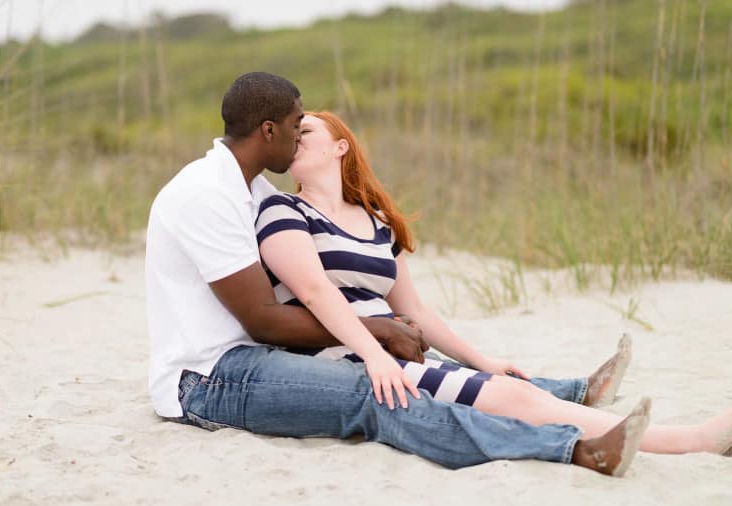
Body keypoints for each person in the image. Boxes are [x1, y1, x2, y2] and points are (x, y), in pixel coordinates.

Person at [145, 72, 655, 476]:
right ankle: (576, 450)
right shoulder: (206, 194)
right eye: (297, 125)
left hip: (258, 357)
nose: (301, 135)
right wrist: (378, 331)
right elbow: (264, 320)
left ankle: (565, 396)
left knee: (413, 377)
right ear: (268, 131)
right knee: (382, 393)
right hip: (210, 379)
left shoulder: (252, 191)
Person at [254, 109, 732, 458]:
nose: (295, 133)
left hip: (395, 349)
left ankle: (597, 414)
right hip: (344, 356)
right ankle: (687, 440)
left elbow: (416, 311)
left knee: (509, 390)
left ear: (340, 146)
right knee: (513, 400)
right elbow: (315, 293)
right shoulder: (283, 210)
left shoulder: (375, 222)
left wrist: (483, 360)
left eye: (306, 128)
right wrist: (377, 355)